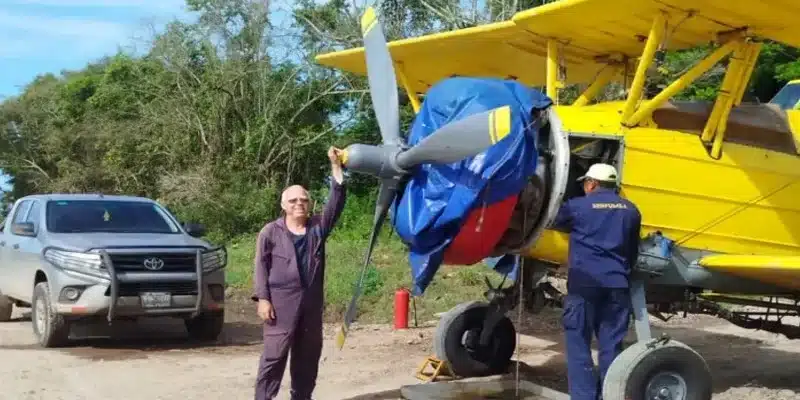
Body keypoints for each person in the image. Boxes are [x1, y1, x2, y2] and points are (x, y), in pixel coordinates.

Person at [251, 146, 347, 400]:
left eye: (303, 200)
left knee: (308, 357)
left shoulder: (317, 227)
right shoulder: (270, 232)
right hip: (280, 306)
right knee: (274, 357)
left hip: (311, 306)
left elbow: (336, 205)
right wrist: (263, 298)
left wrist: (336, 167)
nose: (299, 204)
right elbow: (260, 266)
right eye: (293, 200)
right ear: (283, 205)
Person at [550, 162, 642, 400]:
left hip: (584, 286)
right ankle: (610, 395)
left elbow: (554, 221)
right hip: (616, 285)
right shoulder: (631, 210)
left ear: (591, 183)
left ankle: (583, 396)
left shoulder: (578, 206)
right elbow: (632, 252)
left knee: (578, 343)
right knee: (611, 345)